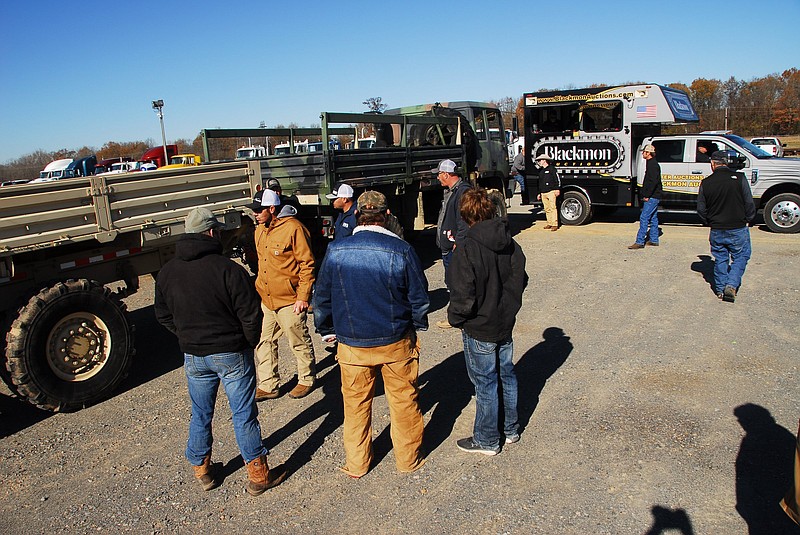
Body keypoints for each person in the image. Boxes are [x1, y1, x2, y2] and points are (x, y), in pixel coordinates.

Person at [154, 207, 285, 495]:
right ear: (212, 232)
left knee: (200, 413)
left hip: (194, 355)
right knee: (243, 414)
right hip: (231, 353)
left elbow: (163, 315)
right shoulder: (229, 270)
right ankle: (258, 474)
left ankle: (202, 470)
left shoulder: (167, 272)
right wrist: (247, 342)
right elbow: (251, 314)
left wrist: (186, 336)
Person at [313, 190, 429, 478]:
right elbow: (419, 298)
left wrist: (327, 330)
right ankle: (407, 460)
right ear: (387, 216)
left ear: (356, 215)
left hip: (352, 346)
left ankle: (357, 463)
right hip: (396, 342)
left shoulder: (337, 251)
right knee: (404, 403)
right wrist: (415, 326)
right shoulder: (402, 250)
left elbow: (323, 298)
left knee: (355, 406)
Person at [447, 189, 527, 456]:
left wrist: (457, 318)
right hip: (503, 322)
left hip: (481, 326)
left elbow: (463, 294)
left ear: (466, 215)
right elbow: (520, 279)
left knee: (486, 382)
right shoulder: (510, 242)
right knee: (506, 374)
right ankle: (511, 428)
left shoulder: (467, 249)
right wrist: (510, 306)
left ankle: (487, 439)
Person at [250, 188, 317, 400]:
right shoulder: (259, 229)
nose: (255, 213)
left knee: (297, 340)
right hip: (267, 300)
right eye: (254, 210)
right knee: (265, 341)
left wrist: (302, 297)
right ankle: (269, 385)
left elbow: (307, 265)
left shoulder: (294, 229)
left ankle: (306, 379)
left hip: (290, 300)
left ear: (272, 208)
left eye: (259, 210)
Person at [697, 150, 755, 303]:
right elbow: (749, 202)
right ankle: (731, 284)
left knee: (721, 258)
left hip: (717, 228)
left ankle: (720, 290)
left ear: (712, 164)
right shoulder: (739, 178)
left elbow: (701, 209)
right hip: (737, 227)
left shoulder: (706, 183)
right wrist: (748, 218)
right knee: (741, 256)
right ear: (726, 163)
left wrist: (709, 221)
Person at [433, 158, 472, 328]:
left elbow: (464, 221)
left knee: (457, 284)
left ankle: (457, 317)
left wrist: (459, 243)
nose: (437, 177)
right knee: (452, 282)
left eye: (439, 174)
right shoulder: (453, 191)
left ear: (447, 174)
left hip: (454, 248)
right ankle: (457, 315)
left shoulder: (463, 192)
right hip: (448, 247)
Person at [628, 144, 662, 249]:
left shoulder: (653, 165)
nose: (642, 153)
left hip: (652, 196)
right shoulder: (651, 163)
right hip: (654, 195)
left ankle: (640, 241)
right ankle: (654, 239)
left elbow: (653, 182)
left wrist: (647, 195)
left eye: (644, 152)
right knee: (653, 218)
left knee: (644, 217)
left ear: (649, 153)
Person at [535, 154, 561, 231]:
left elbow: (557, 179)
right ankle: (549, 223)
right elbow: (539, 183)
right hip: (543, 192)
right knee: (547, 208)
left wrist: (557, 189)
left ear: (544, 160)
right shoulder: (541, 171)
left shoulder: (552, 169)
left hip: (551, 191)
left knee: (553, 207)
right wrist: (539, 193)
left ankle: (555, 224)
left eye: (540, 160)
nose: (539, 162)